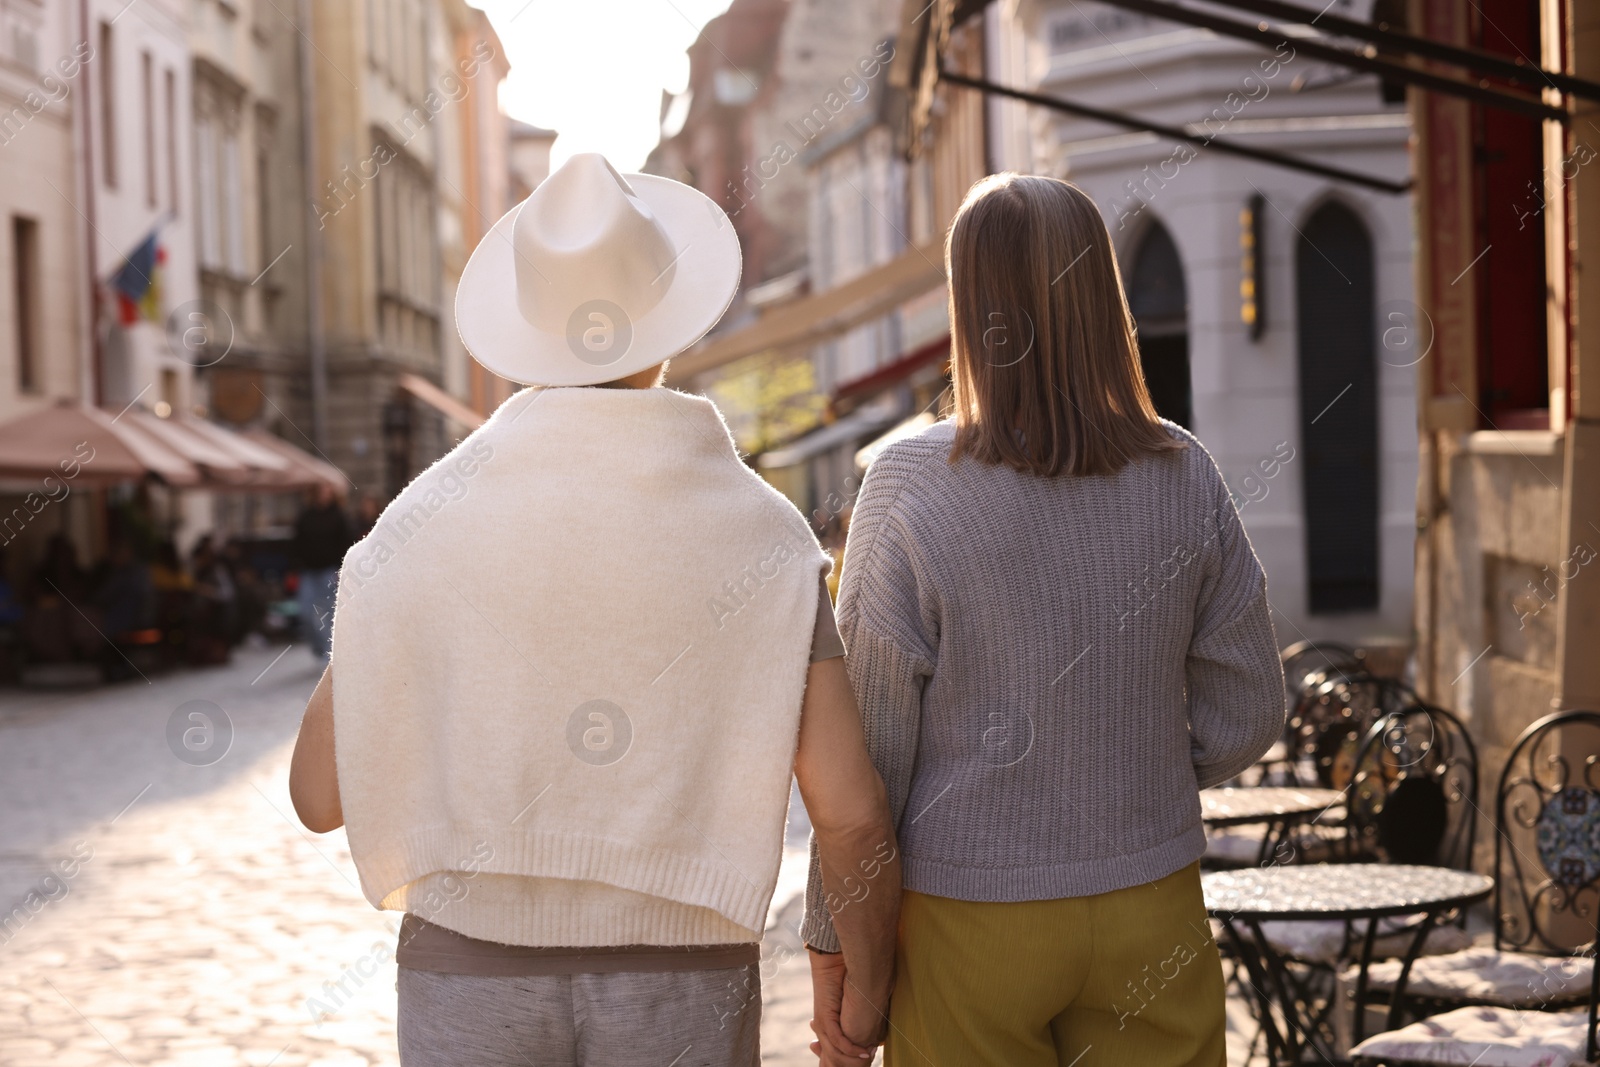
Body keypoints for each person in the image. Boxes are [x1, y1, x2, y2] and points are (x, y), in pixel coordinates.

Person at [288, 153, 900, 1067]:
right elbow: (850, 815)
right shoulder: (762, 539)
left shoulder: (414, 532)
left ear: (529, 326)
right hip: (683, 982)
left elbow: (318, 796)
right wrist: (870, 991)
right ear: (668, 325)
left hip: (467, 978)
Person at [802, 173, 1286, 1067]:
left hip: (968, 921)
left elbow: (867, 766)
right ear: (1103, 295)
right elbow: (1253, 707)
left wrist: (838, 949)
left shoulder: (908, 485)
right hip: (1153, 899)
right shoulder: (1185, 470)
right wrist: (1123, 770)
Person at [290, 483, 352, 661]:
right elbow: (297, 542)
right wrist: (295, 565)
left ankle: (329, 651)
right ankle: (318, 645)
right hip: (309, 571)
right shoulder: (306, 516)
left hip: (329, 571)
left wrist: (342, 568)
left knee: (330, 613)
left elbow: (345, 543)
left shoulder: (338, 517)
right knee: (305, 611)